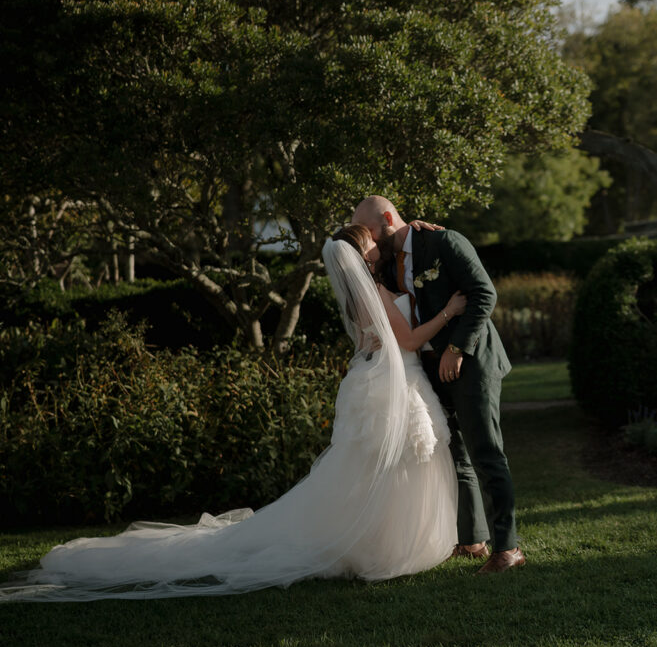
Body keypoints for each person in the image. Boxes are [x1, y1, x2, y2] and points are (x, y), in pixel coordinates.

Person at [0, 226, 464, 602]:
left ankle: (375, 541)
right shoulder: (379, 294)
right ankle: (383, 546)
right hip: (395, 380)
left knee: (371, 469)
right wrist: (449, 312)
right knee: (391, 465)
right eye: (373, 244)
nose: (381, 248)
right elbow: (405, 340)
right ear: (366, 256)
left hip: (377, 382)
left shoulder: (355, 296)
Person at [351, 196, 525, 574]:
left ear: (386, 218)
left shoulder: (444, 243)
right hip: (429, 369)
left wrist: (457, 347)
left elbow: (484, 293)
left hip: (471, 362)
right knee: (457, 454)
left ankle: (508, 548)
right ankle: (473, 540)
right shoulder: (387, 263)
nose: (368, 240)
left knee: (486, 453)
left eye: (370, 232)